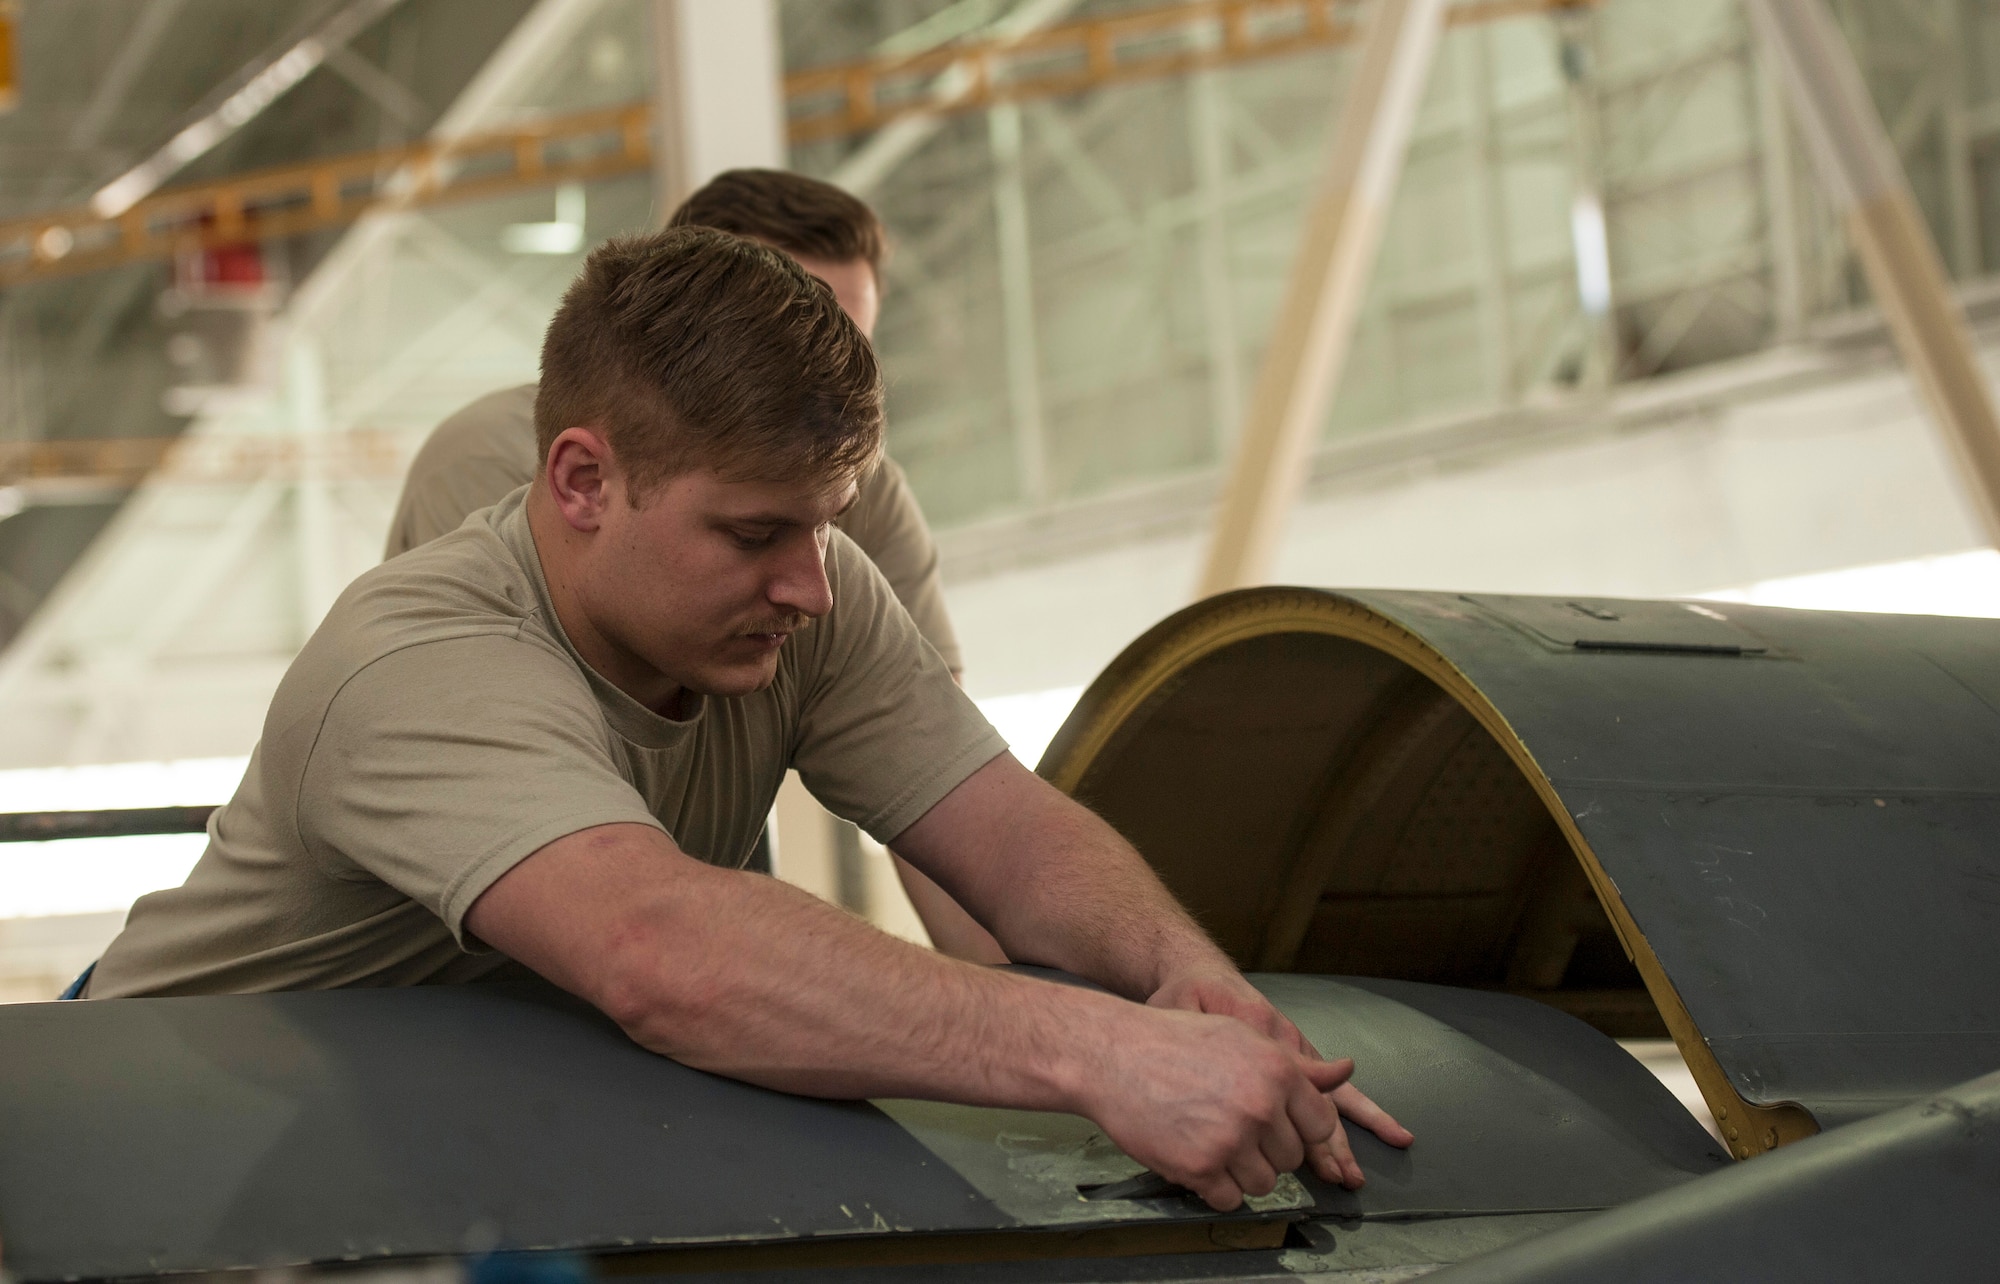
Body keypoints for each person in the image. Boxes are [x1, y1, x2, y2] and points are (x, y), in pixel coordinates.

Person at [87, 228, 1411, 1212]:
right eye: (753, 533)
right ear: (584, 480)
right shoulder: (415, 662)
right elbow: (668, 952)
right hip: (136, 1138)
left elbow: (1007, 837)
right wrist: (1104, 1052)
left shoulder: (802, 609)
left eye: (826, 528)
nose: (809, 584)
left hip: (435, 1141)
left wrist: (1182, 979)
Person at [384, 169, 999, 963]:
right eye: (778, 334)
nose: (827, 382)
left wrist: (1039, 1004)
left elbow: (933, 779)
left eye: (848, 344)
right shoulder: (482, 468)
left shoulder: (862, 488)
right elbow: (608, 908)